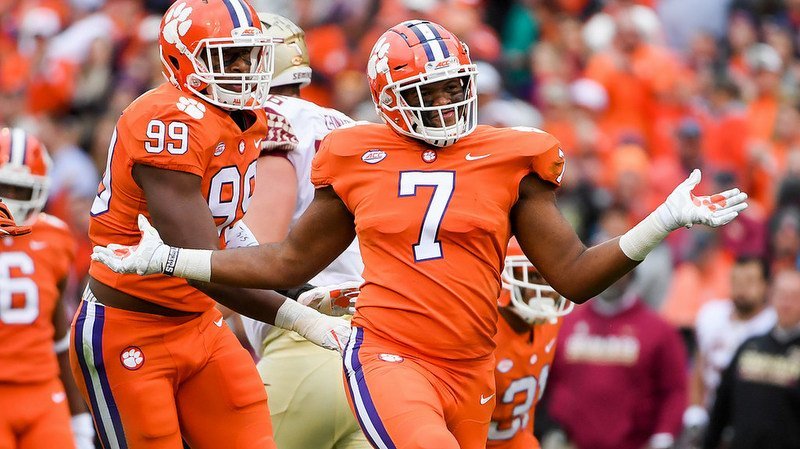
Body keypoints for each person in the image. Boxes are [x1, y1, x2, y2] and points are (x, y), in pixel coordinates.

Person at [93, 19, 748, 449]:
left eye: (453, 87)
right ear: (388, 97)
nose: (444, 104)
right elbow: (286, 260)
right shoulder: (355, 153)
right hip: (389, 357)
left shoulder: (510, 155)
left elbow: (573, 276)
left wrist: (662, 221)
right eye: (428, 93)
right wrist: (173, 259)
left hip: (472, 367)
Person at [72, 1, 351, 448]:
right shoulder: (167, 120)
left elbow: (229, 230)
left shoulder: (249, 119)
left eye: (248, 55)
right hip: (130, 326)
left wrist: (299, 290)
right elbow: (204, 264)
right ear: (180, 58)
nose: (241, 68)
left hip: (200, 324)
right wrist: (298, 316)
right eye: (226, 57)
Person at [237, 13, 369, 449]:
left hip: (304, 339)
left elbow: (259, 256)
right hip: (374, 349)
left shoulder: (263, 121)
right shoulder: (347, 125)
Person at [0, 127, 95, 449]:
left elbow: (59, 336)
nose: (9, 203)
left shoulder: (55, 238)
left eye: (20, 191)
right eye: (2, 188)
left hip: (42, 389)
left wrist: (79, 420)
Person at [544, 270, 688, 449]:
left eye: (616, 267)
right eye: (602, 267)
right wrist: (549, 429)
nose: (608, 274)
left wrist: (663, 436)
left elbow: (674, 390)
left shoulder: (659, 330)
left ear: (631, 272)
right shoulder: (565, 324)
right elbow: (544, 383)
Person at [488, 238, 572, 449]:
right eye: (533, 276)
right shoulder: (482, 331)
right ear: (504, 278)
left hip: (520, 440)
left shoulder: (553, 322)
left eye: (551, 278)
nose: (546, 291)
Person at [704, 269, 800, 449]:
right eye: (782, 295)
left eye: (794, 297)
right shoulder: (750, 346)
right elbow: (721, 405)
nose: (787, 302)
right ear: (771, 296)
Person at [684, 256, 776, 443]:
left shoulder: (772, 324)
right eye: (736, 280)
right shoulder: (711, 315)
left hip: (752, 423)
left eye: (749, 281)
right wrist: (696, 408)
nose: (741, 288)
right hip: (712, 416)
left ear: (766, 286)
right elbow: (699, 368)